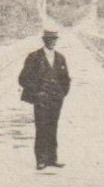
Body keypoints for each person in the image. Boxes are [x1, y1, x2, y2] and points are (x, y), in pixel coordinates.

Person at [18, 29, 71, 170]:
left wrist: (62, 94)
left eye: (55, 39)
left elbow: (65, 79)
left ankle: (52, 159)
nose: (52, 42)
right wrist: (37, 93)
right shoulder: (34, 57)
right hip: (41, 99)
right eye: (50, 39)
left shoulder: (60, 58)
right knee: (41, 128)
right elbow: (23, 78)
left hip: (56, 100)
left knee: (53, 127)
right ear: (44, 40)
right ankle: (41, 160)